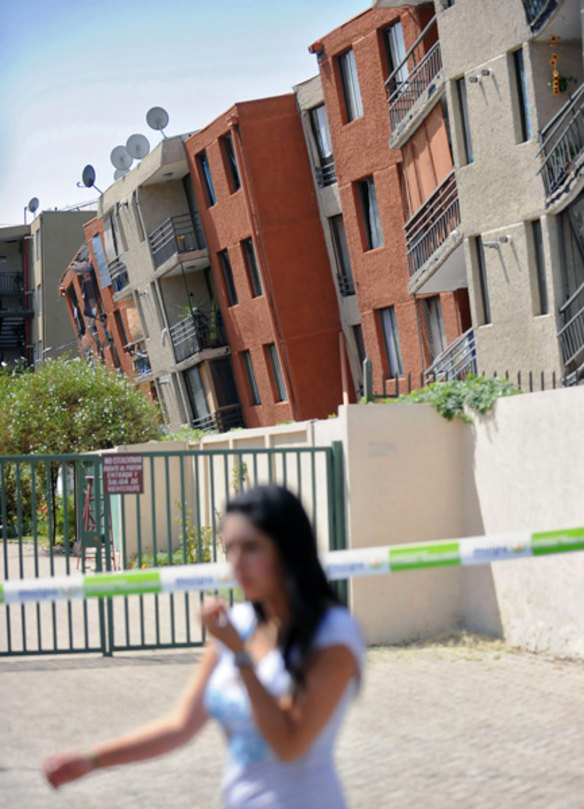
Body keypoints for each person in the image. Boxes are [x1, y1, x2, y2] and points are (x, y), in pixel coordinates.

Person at [43, 484, 364, 808]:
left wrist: (241, 656)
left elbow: (289, 744)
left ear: (288, 548)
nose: (236, 563)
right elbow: (179, 726)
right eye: (230, 548)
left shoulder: (333, 634)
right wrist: (91, 760)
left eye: (251, 547)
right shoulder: (237, 624)